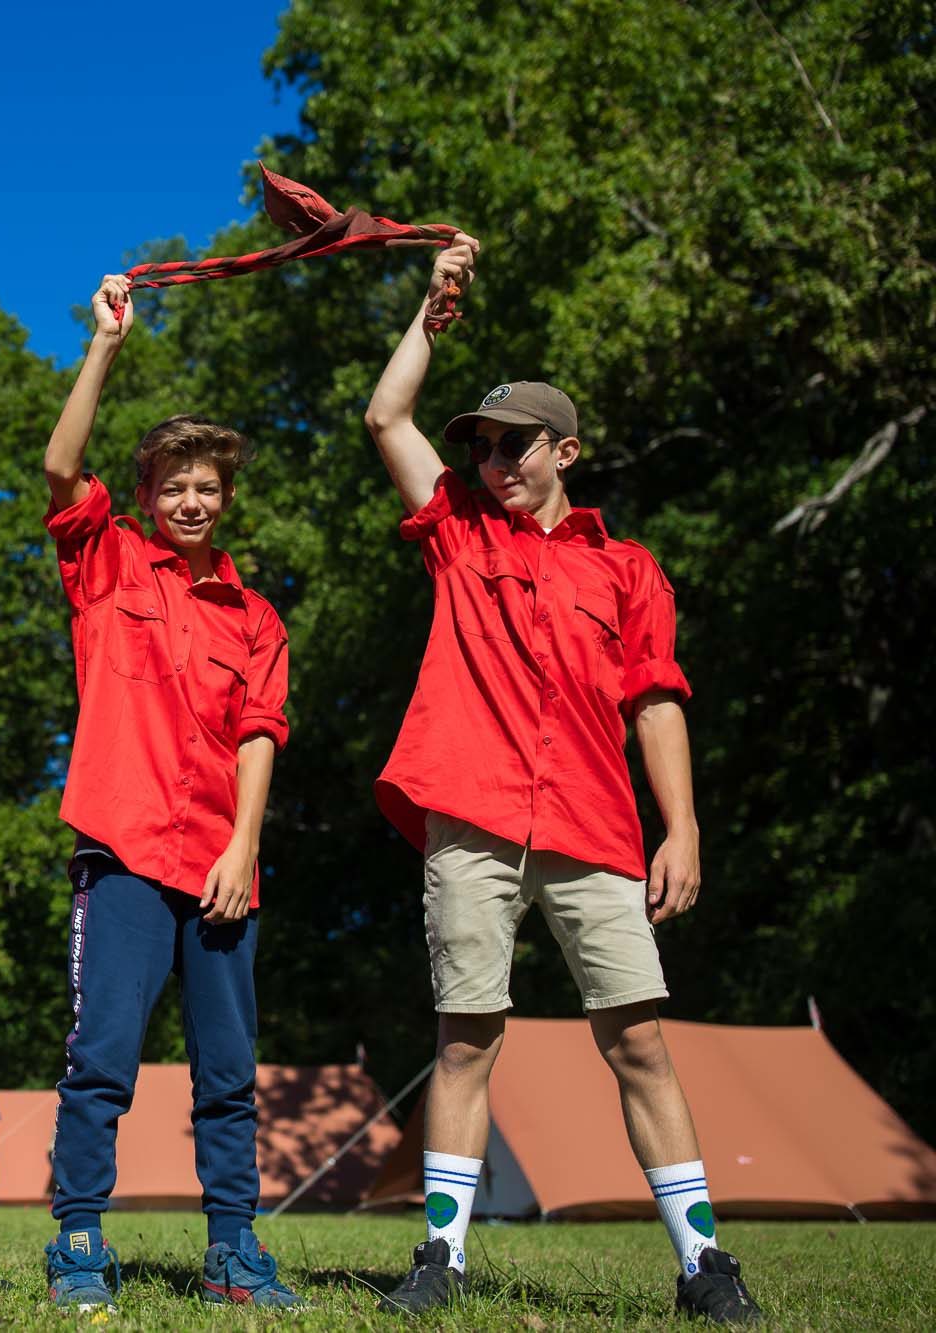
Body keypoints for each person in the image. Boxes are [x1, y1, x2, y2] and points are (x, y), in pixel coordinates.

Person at [361, 236, 761, 1324]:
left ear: (565, 449)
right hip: (473, 816)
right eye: (481, 445)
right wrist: (429, 315)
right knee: (465, 1035)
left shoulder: (624, 568)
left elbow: (655, 700)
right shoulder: (455, 533)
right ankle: (439, 1260)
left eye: (514, 444)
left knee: (635, 1038)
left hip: (593, 823)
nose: (493, 460)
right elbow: (385, 422)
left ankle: (702, 1266)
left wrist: (678, 829)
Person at [35, 275, 301, 1313]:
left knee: (228, 1070)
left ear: (224, 498)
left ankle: (233, 1249)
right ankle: (77, 1241)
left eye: (206, 487)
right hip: (123, 851)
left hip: (219, 862)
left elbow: (258, 733)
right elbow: (59, 466)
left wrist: (241, 847)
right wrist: (102, 344)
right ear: (145, 496)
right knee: (101, 1051)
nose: (189, 500)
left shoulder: (255, 617)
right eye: (171, 485)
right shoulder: (105, 564)